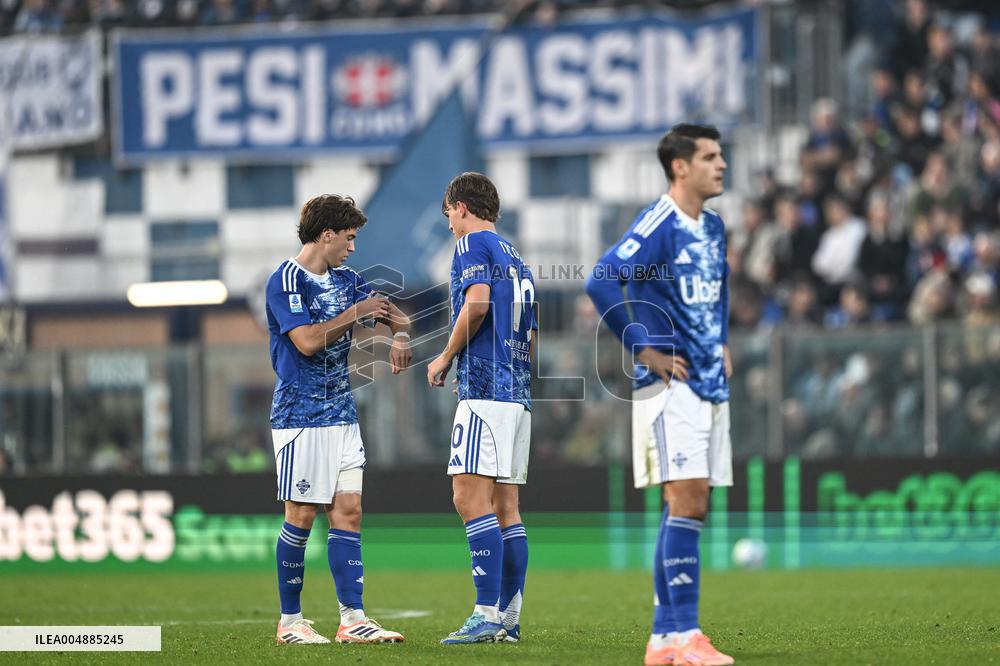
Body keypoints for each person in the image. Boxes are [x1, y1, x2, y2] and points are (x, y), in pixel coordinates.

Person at [585, 124, 735, 666]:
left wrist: (721, 342)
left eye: (721, 156)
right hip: (668, 385)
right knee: (688, 499)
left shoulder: (714, 228)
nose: (722, 165)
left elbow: (718, 293)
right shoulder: (661, 221)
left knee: (689, 504)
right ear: (681, 167)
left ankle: (665, 639)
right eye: (711, 157)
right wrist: (640, 346)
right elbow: (603, 277)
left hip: (706, 381)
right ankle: (688, 635)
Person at [265, 194, 412, 645]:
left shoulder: (347, 280)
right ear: (326, 234)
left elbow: (397, 314)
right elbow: (306, 342)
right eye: (348, 239)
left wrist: (400, 335)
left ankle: (353, 619)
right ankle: (290, 623)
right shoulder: (285, 281)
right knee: (302, 514)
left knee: (349, 512)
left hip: (342, 414)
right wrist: (355, 314)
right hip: (301, 415)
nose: (352, 249)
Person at [427, 172, 536, 645]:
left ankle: (486, 613)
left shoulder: (473, 245)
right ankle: (508, 620)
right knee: (506, 508)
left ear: (462, 207)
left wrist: (448, 357)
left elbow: (476, 304)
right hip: (517, 393)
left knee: (468, 497)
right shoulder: (517, 257)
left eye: (449, 213)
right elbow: (530, 333)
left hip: (487, 392)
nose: (449, 223)